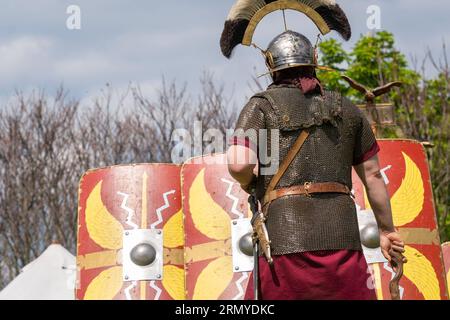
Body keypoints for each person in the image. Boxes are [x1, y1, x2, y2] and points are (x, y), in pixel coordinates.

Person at [227, 30, 406, 300]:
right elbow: (373, 175)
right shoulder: (348, 110)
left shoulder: (261, 107)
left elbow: (239, 164)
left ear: (270, 66)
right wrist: (387, 230)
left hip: (284, 245)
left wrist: (251, 185)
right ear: (314, 59)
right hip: (343, 245)